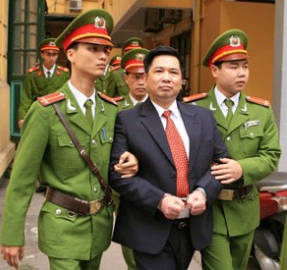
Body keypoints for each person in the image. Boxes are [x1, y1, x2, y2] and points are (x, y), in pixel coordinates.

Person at [0, 9, 138, 270]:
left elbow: (119, 157)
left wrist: (131, 159)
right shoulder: (46, 112)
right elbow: (22, 179)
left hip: (99, 226)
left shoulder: (112, 110)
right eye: (93, 48)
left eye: (106, 50)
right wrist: (11, 233)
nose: (102, 56)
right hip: (62, 226)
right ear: (71, 54)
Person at [109, 45, 229, 270]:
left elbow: (221, 162)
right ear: (146, 77)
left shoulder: (202, 118)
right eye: (159, 71)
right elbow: (118, 176)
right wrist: (159, 200)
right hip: (149, 227)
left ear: (182, 80)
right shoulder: (127, 120)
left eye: (173, 72)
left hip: (193, 226)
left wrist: (204, 191)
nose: (167, 78)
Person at [183, 29, 281, 270]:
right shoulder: (192, 109)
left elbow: (271, 156)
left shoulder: (261, 110)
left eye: (245, 66)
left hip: (245, 209)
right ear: (215, 70)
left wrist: (242, 168)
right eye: (233, 66)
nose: (242, 73)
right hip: (210, 209)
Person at [113, 47, 149, 270]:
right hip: (125, 189)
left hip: (156, 186)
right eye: (136, 77)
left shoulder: (162, 107)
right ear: (126, 78)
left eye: (145, 76)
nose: (141, 82)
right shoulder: (114, 108)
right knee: (132, 249)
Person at [18, 37, 69, 129]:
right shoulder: (32, 74)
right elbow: (26, 98)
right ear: (42, 55)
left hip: (58, 115)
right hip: (39, 114)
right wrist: (23, 117)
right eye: (48, 54)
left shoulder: (64, 74)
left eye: (55, 54)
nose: (52, 58)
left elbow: (68, 96)